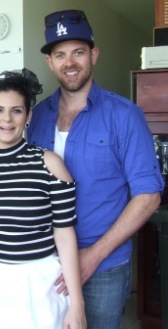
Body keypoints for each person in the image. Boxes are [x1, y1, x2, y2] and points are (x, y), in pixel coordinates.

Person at [27, 10, 164, 329]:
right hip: (46, 263)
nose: (69, 62)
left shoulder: (124, 115)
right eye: (60, 54)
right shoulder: (36, 117)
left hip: (103, 266)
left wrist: (95, 254)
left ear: (94, 55)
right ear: (50, 62)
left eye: (78, 52)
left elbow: (149, 195)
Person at [0, 72, 86, 329]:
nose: (7, 119)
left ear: (28, 116)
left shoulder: (49, 164)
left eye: (16, 111)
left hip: (39, 288)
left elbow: (65, 235)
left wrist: (77, 306)